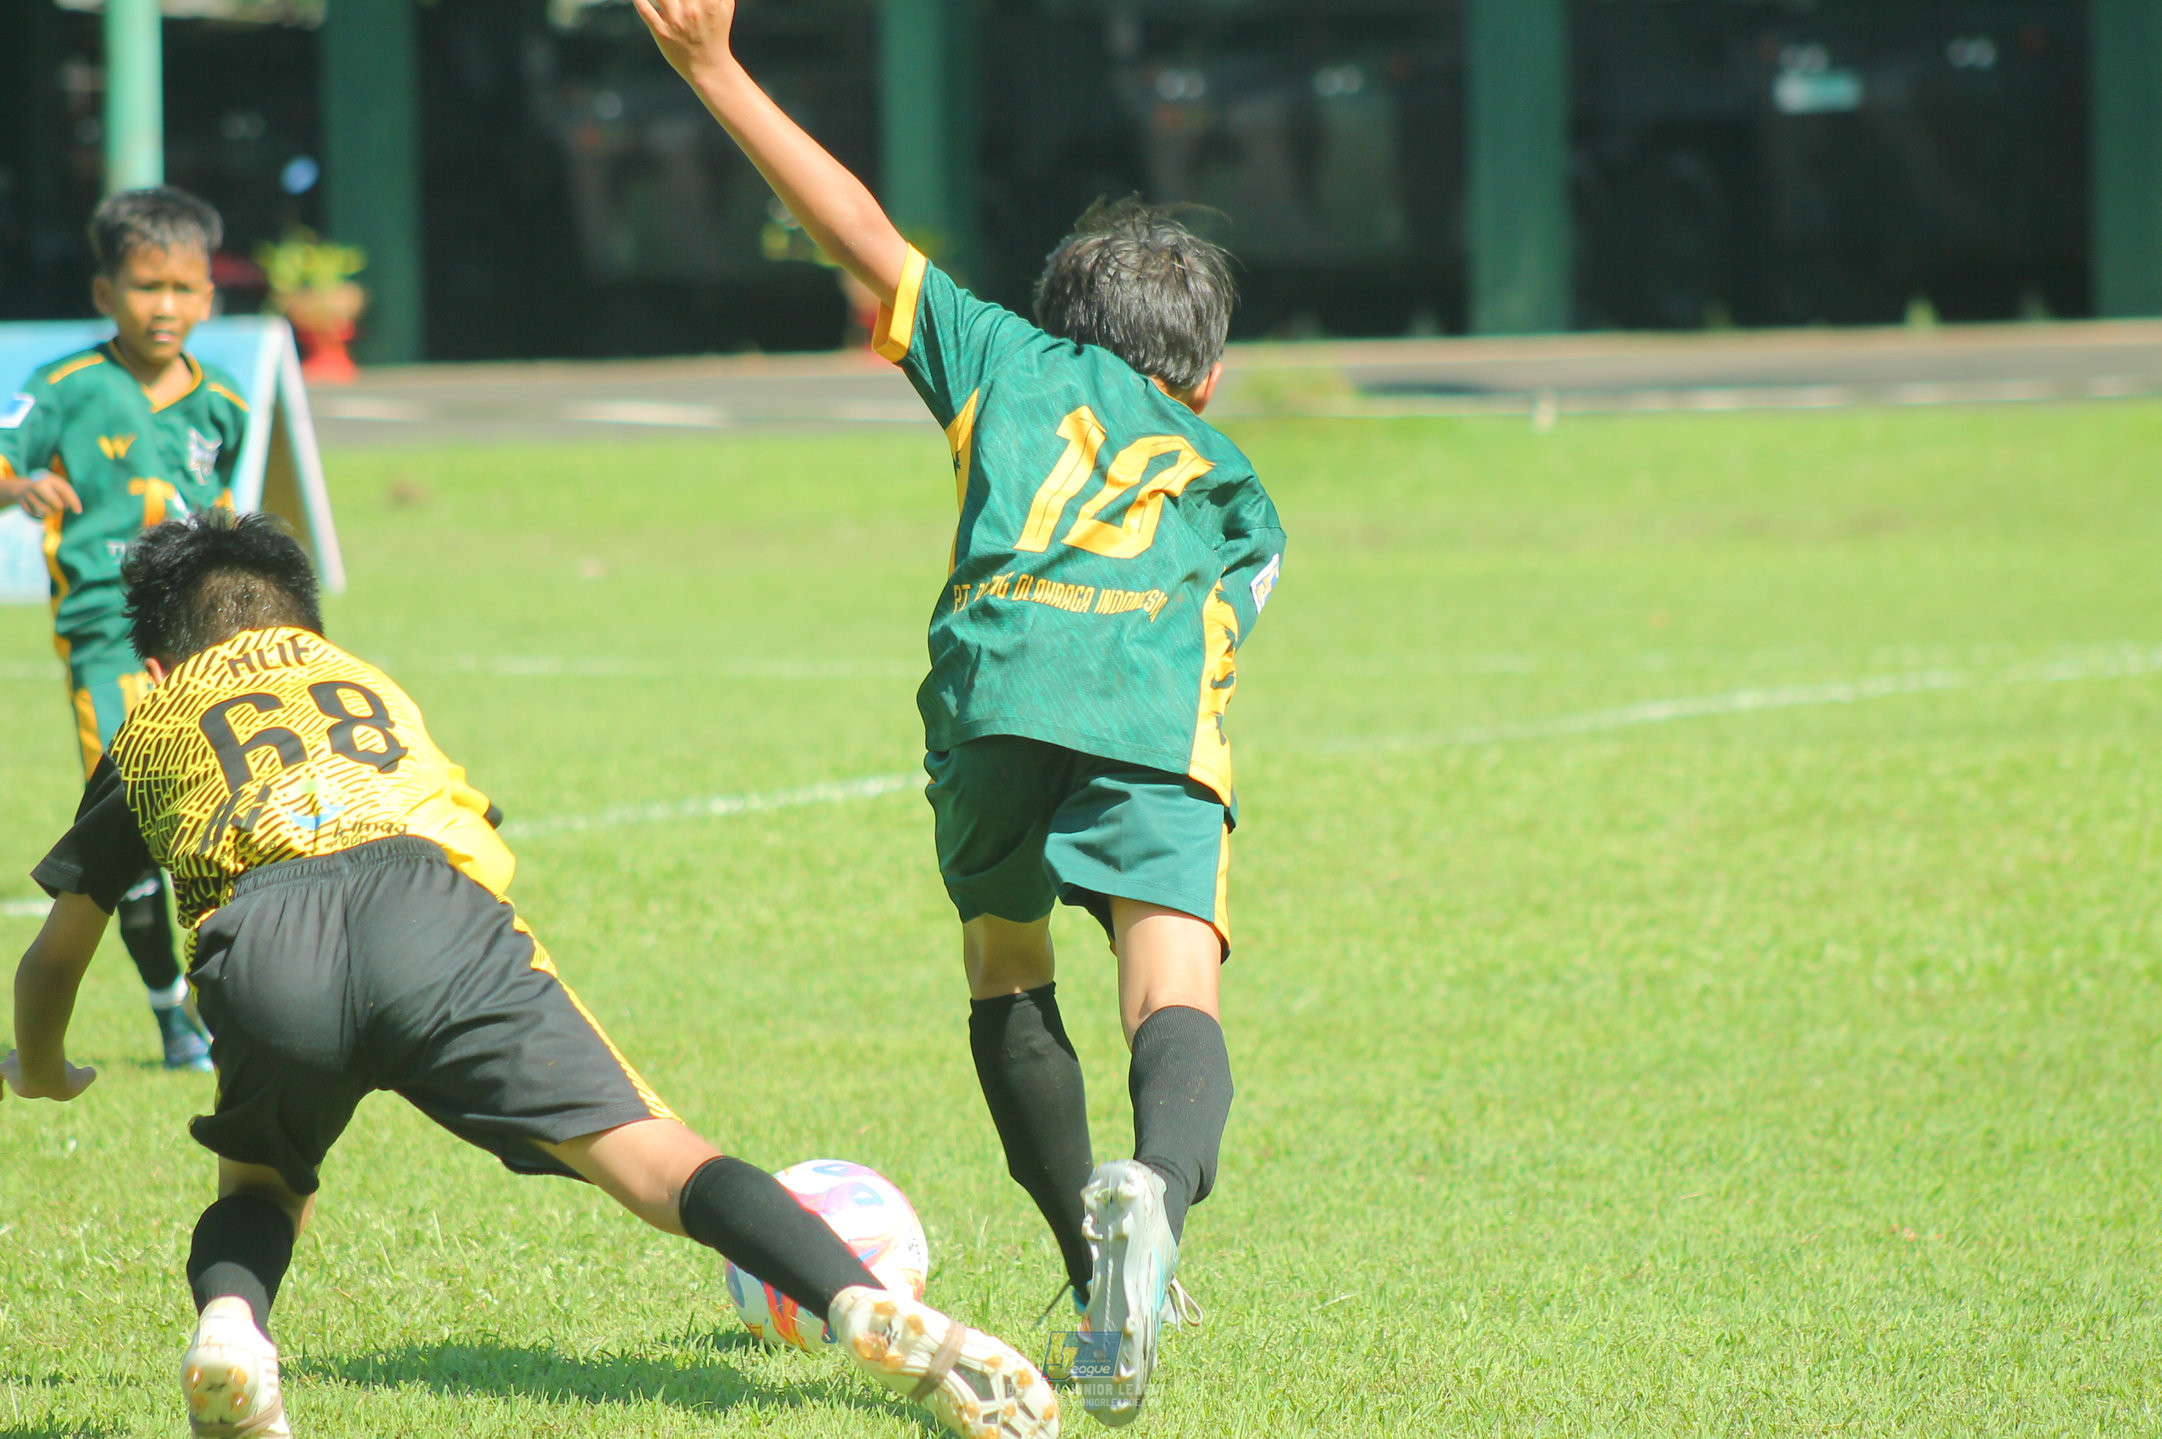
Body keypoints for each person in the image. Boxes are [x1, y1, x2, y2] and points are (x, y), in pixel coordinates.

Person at [0, 511, 1060, 1439]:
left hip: (266, 935)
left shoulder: (149, 722)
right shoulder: (366, 679)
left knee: (265, 1184)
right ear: (304, 622)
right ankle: (867, 1308)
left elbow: (54, 960)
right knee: (654, 1157)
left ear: (158, 657)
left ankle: (232, 1331)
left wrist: (42, 1068)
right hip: (431, 912)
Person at [633, 0, 1286, 1423]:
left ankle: (1090, 1260)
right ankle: (1153, 1201)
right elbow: (1233, 613)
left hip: (990, 689)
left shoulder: (996, 354)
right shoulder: (1231, 470)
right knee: (1171, 989)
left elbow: (854, 226)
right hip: (1147, 693)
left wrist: (713, 66)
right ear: (1208, 370)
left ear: (1063, 320)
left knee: (1006, 970)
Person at [0, 185, 244, 1071]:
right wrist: (18, 486)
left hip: (206, 640)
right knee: (133, 812)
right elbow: (2, 453)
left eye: (186, 288)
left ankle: (228, 998)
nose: (167, 307)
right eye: (148, 287)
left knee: (220, 813)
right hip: (108, 636)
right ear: (106, 292)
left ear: (211, 295)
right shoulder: (63, 388)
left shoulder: (222, 404)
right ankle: (172, 1014)